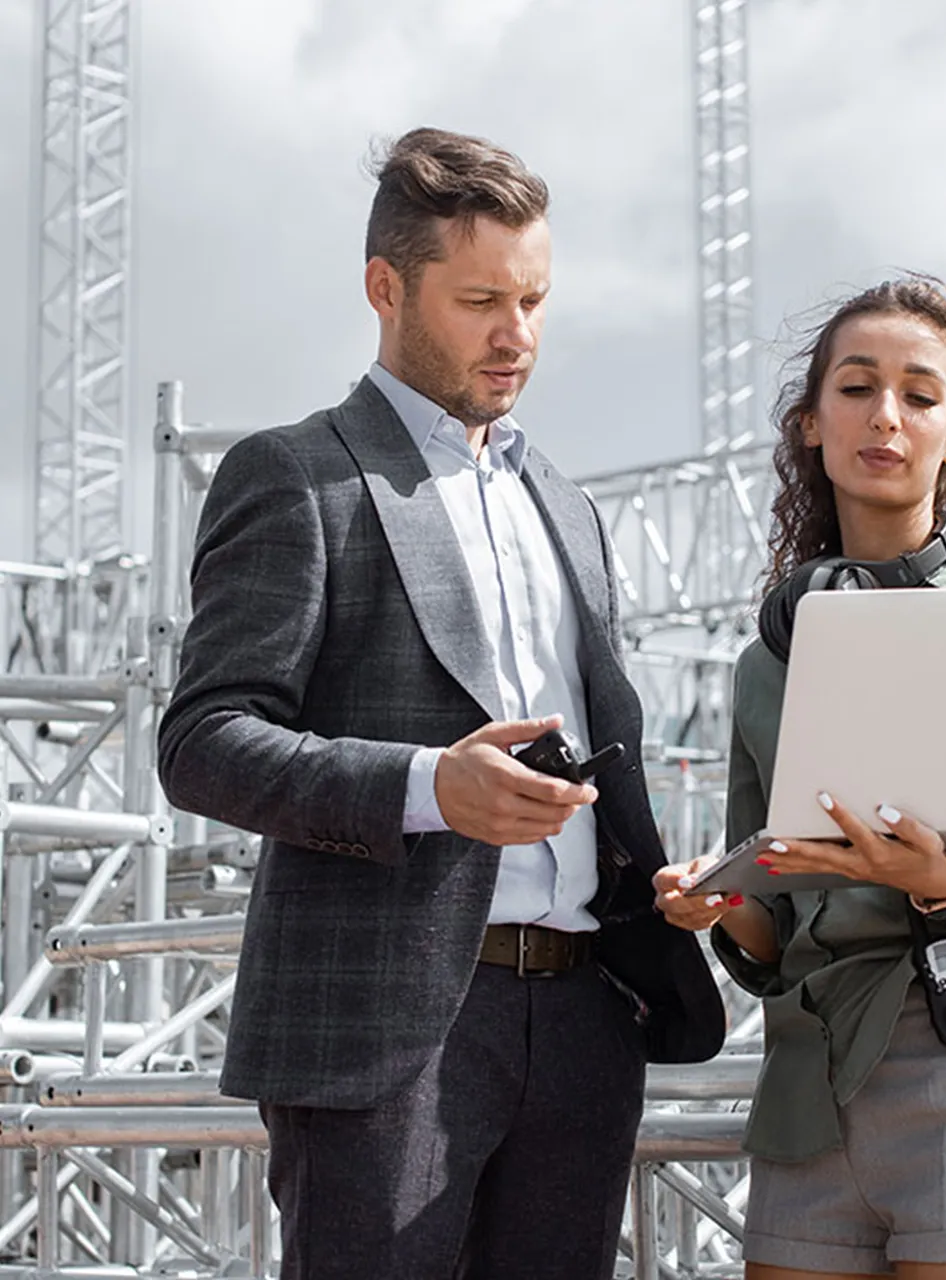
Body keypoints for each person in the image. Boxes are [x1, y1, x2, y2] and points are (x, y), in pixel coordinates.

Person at [157, 127, 724, 1280]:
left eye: (533, 298)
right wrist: (429, 787)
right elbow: (203, 740)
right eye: (480, 300)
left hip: (581, 1015)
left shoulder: (562, 503)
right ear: (384, 287)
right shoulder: (296, 473)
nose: (516, 333)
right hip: (386, 1029)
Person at [655, 277, 946, 1280]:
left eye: (918, 393)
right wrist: (714, 899)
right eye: (855, 388)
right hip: (809, 1074)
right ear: (810, 422)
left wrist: (936, 878)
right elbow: (767, 927)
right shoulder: (767, 656)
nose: (884, 415)